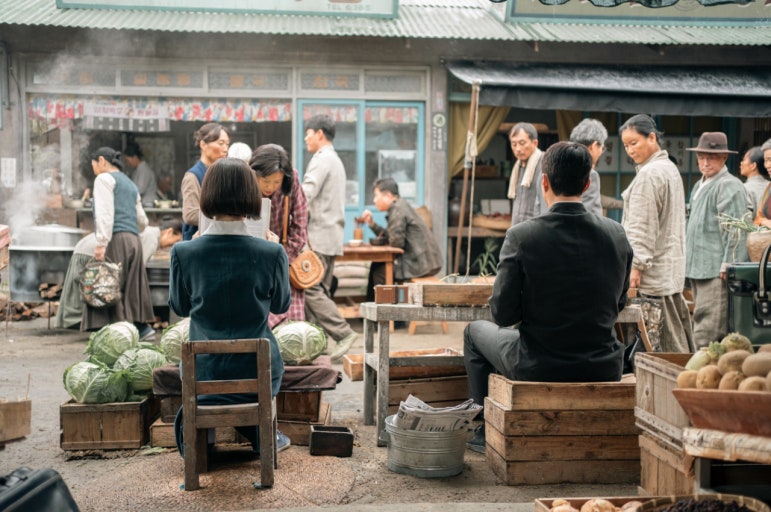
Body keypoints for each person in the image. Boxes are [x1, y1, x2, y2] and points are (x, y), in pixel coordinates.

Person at [463, 142, 633, 453]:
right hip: (604, 364)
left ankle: (484, 430)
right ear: (586, 183)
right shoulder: (617, 234)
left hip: (538, 364)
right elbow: (619, 303)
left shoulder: (522, 235)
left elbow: (502, 315)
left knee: (474, 331)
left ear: (544, 181)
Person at [169, 157, 292, 455]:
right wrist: (277, 253)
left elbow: (180, 307)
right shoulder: (271, 251)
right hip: (258, 371)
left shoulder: (184, 252)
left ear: (207, 196)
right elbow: (281, 305)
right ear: (252, 196)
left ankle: (204, 437)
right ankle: (261, 434)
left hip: (203, 372)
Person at [619, 114, 694, 353]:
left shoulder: (650, 174)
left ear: (652, 137)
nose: (630, 150)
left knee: (655, 349)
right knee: (673, 346)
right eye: (626, 146)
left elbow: (642, 227)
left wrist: (636, 267)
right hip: (668, 273)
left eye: (634, 143)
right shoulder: (668, 168)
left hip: (652, 280)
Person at [81, 147, 156, 339]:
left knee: (109, 284)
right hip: (134, 240)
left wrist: (101, 244)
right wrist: (131, 230)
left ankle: (119, 333)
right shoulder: (130, 183)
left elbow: (105, 214)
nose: (94, 171)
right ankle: (141, 327)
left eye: (94, 166)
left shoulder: (103, 179)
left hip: (116, 238)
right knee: (132, 286)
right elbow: (143, 221)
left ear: (102, 161)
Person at [301, 114, 358, 362]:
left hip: (319, 235)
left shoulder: (322, 159)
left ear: (319, 134)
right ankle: (317, 344)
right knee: (319, 291)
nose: (306, 138)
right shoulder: (335, 160)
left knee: (309, 288)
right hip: (331, 234)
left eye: (308, 133)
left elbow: (305, 195)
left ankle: (343, 333)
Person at [56, 218, 182, 329]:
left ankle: (77, 321)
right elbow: (137, 269)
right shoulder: (152, 238)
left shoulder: (148, 231)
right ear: (169, 231)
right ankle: (87, 323)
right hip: (91, 252)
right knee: (95, 290)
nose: (172, 245)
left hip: (83, 248)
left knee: (83, 289)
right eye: (175, 240)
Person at [685, 132, 751, 348]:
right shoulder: (699, 185)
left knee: (709, 329)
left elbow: (735, 229)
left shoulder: (728, 185)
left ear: (724, 158)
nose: (705, 162)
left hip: (716, 270)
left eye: (711, 157)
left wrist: (728, 263)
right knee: (701, 322)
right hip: (699, 266)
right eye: (702, 157)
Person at [249, 143, 309, 328]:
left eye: (276, 182)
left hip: (283, 255)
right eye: (265, 181)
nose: (271, 187)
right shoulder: (243, 180)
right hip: (250, 257)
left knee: (291, 315)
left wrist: (284, 255)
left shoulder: (293, 180)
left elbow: (300, 220)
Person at [357, 177, 441, 302]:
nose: (374, 201)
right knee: (377, 265)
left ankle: (391, 317)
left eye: (376, 196)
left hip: (420, 263)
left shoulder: (398, 210)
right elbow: (391, 236)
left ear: (388, 196)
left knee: (381, 271)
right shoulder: (399, 206)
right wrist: (371, 223)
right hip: (420, 260)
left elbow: (396, 243)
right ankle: (373, 311)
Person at [181, 123, 230, 240]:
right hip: (198, 241)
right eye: (221, 143)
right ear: (203, 144)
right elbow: (190, 214)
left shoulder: (224, 173)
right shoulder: (192, 176)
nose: (225, 149)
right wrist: (225, 216)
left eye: (227, 144)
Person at [506, 122, 547, 226]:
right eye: (514, 144)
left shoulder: (545, 164)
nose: (518, 149)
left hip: (536, 229)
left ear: (535, 143)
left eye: (522, 143)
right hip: (518, 229)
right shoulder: (517, 167)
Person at [568, 118, 607, 217]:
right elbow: (589, 216)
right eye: (602, 148)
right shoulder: (590, 174)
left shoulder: (548, 168)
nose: (601, 153)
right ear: (594, 146)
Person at [123, 142, 158, 208]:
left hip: (148, 203)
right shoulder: (137, 170)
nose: (128, 163)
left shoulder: (144, 170)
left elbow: (140, 189)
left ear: (135, 157)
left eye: (128, 160)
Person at [755, 139, 771, 227]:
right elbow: (758, 217)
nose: (767, 165)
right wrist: (765, 222)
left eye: (770, 159)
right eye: (766, 160)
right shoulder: (769, 188)